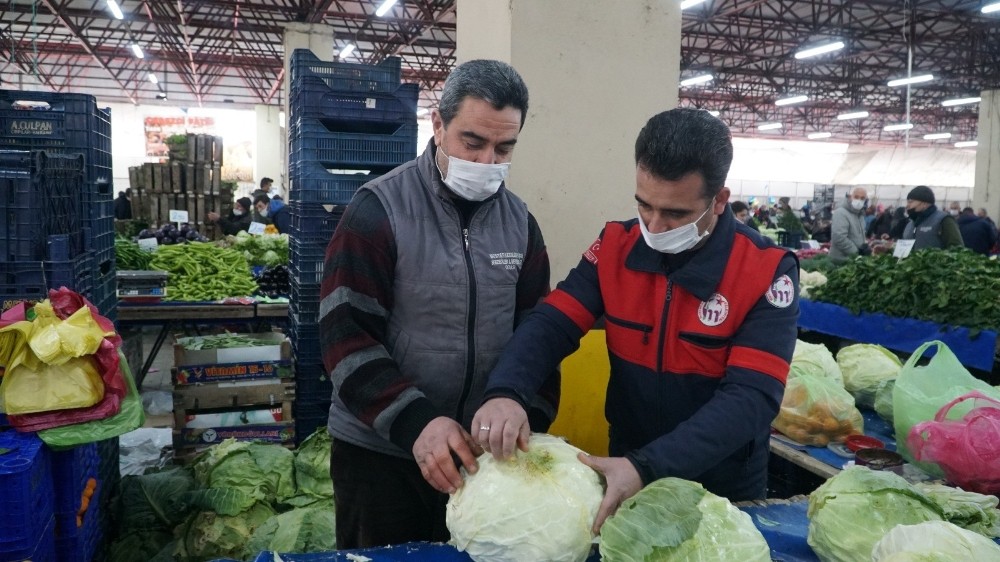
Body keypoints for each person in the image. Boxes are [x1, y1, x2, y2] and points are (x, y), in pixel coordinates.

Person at [472, 108, 799, 533]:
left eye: (676, 215)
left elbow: (752, 397)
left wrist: (649, 466)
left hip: (721, 485)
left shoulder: (765, 271)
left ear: (720, 200)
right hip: (624, 469)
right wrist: (506, 391)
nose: (655, 226)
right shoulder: (615, 247)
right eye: (644, 205)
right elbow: (552, 323)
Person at [318, 59, 559, 549]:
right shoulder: (379, 209)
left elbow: (538, 333)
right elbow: (345, 337)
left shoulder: (520, 223)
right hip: (382, 458)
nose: (488, 161)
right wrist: (416, 423)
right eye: (473, 142)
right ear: (438, 125)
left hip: (484, 462)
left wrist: (522, 412)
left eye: (504, 147)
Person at [901, 185, 963, 250]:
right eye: (907, 202)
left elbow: (957, 248)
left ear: (924, 203)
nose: (908, 205)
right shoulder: (910, 224)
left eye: (911, 202)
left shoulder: (944, 220)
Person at [829, 187, 871, 265]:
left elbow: (859, 235)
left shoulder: (860, 215)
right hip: (841, 260)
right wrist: (856, 252)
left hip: (853, 260)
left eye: (862, 198)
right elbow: (839, 237)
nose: (859, 200)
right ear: (850, 197)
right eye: (856, 197)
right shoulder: (841, 213)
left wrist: (864, 246)